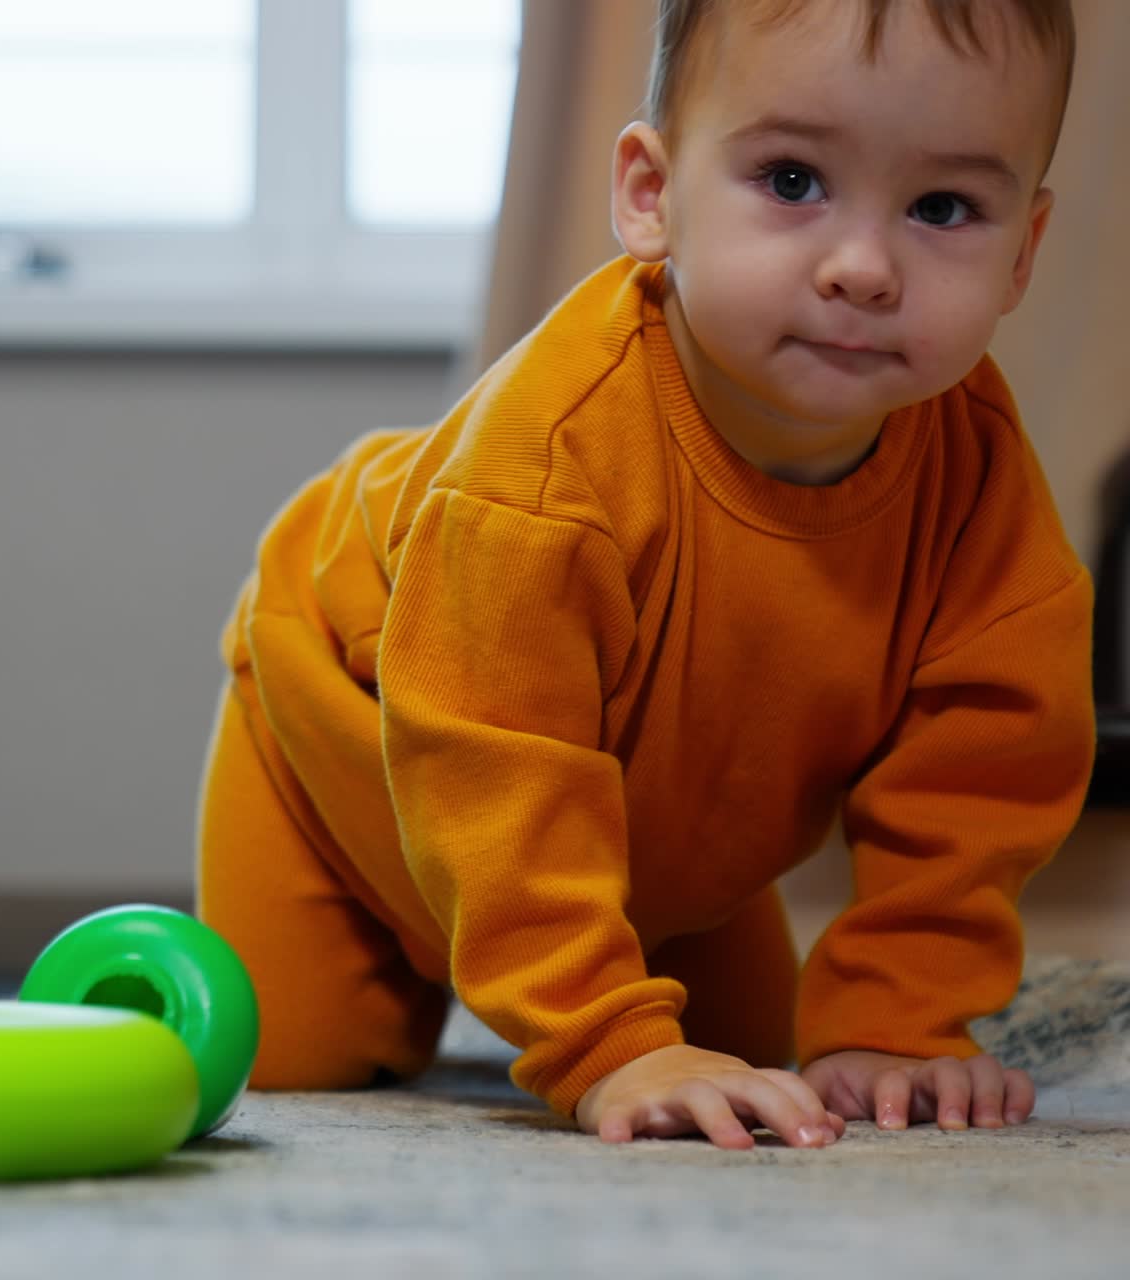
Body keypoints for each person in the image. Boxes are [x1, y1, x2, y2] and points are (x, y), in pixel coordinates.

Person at [197, 0, 1093, 1149]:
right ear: (649, 193)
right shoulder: (545, 466)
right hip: (351, 754)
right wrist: (606, 1042)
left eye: (940, 208)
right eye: (788, 180)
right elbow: (491, 755)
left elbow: (984, 765)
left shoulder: (974, 480)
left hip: (650, 846)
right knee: (296, 1064)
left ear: (1020, 250)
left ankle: (614, 959)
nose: (862, 266)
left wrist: (898, 1013)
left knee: (764, 1062)